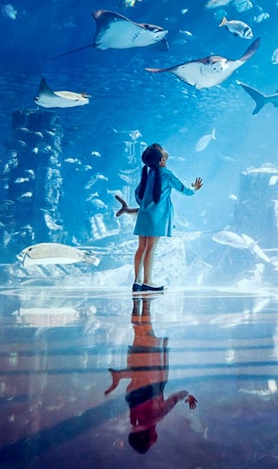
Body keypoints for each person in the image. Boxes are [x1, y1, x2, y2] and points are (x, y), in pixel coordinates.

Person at [105, 297, 197, 454]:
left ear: (151, 437)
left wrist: (185, 394)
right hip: (137, 364)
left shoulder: (157, 416)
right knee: (138, 330)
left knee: (147, 330)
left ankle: (146, 302)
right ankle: (137, 302)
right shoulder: (133, 417)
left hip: (151, 367)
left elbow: (174, 398)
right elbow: (133, 391)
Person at [132, 143, 202, 292]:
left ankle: (137, 281)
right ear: (162, 160)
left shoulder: (147, 174)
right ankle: (147, 282)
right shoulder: (167, 174)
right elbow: (184, 190)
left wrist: (144, 205)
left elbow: (138, 194)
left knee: (141, 247)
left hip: (144, 215)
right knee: (151, 248)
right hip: (157, 217)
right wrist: (194, 189)